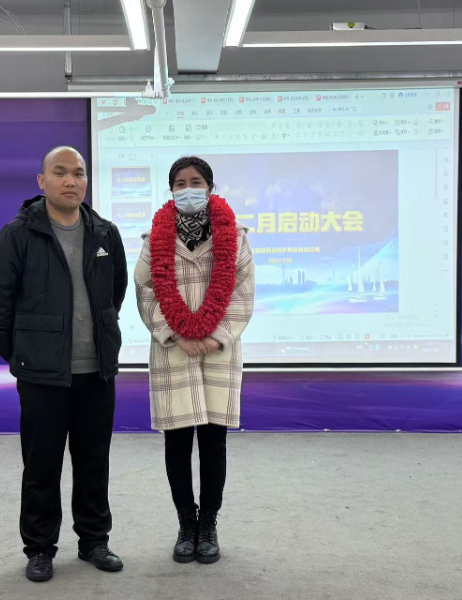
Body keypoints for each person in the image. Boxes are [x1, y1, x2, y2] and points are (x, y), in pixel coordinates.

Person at [0, 146, 127, 582]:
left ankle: (94, 540)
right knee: (42, 465)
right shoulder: (18, 234)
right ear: (42, 181)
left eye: (78, 173)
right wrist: (21, 353)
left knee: (94, 461)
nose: (70, 181)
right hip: (42, 374)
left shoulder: (105, 233)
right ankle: (40, 548)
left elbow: (114, 292)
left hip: (96, 371)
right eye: (60, 173)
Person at [134, 156, 255, 564]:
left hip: (218, 351)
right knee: (177, 442)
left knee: (213, 444)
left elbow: (243, 291)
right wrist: (176, 333)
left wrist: (215, 335)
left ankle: (209, 526)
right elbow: (145, 290)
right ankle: (186, 524)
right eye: (180, 183)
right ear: (171, 190)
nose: (189, 189)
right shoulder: (154, 237)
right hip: (174, 349)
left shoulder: (235, 236)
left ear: (210, 187)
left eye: (196, 181)